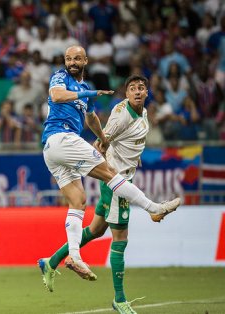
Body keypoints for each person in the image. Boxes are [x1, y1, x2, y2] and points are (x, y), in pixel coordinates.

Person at [38, 46, 180, 281]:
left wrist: (103, 139)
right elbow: (56, 96)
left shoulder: (84, 88)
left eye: (76, 58)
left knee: (78, 201)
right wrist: (89, 94)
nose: (72, 62)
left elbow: (91, 117)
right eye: (68, 58)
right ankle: (153, 208)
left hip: (53, 149)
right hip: (61, 138)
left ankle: (72, 256)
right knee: (111, 174)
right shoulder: (61, 77)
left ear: (85, 60)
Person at [40, 75, 163, 314]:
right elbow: (101, 141)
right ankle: (120, 299)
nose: (137, 92)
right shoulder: (122, 113)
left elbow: (127, 141)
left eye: (141, 88)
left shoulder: (143, 113)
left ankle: (50, 262)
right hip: (116, 181)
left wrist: (130, 156)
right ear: (126, 93)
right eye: (132, 88)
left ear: (147, 92)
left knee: (95, 230)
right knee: (120, 239)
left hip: (123, 175)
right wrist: (104, 153)